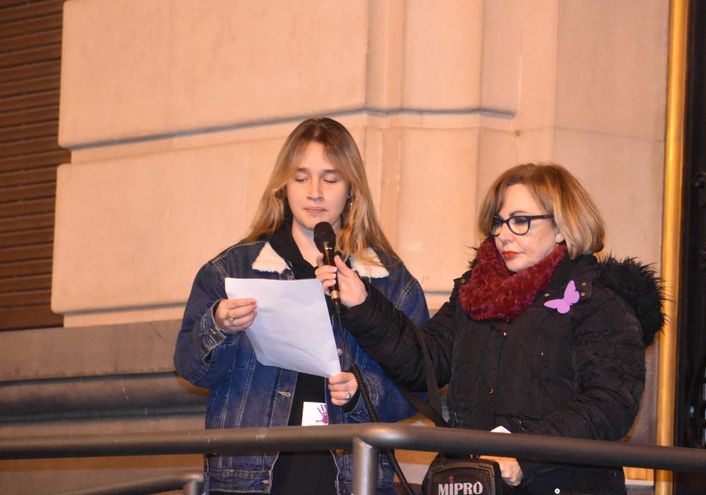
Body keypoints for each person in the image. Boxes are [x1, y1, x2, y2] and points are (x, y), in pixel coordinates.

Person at [318, 163, 663, 494]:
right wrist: (363, 303)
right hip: (475, 482)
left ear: (562, 227)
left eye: (521, 221)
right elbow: (424, 362)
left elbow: (610, 403)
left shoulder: (596, 300)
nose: (503, 235)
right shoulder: (476, 292)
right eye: (499, 222)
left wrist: (525, 454)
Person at [174, 117, 429, 495]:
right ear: (283, 186)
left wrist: (363, 392)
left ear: (351, 190)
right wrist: (219, 324)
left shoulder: (386, 278)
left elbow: (421, 386)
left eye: (330, 179)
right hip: (249, 478)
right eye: (301, 177)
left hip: (349, 476)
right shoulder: (233, 270)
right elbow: (189, 367)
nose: (315, 193)